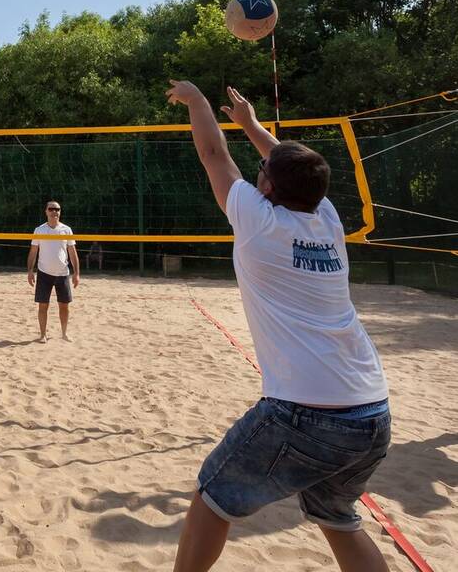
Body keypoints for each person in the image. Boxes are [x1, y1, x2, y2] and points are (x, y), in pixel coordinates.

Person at [165, 81, 391, 572]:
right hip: (372, 411)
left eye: (263, 170)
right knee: (338, 518)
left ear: (266, 186)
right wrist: (250, 125)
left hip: (306, 413)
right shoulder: (327, 218)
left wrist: (197, 101)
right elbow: (295, 170)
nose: (258, 170)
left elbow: (211, 151)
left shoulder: (258, 222)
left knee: (213, 495)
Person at [26, 201, 80, 342]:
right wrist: (30, 271)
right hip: (44, 272)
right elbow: (33, 251)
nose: (54, 211)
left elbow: (72, 252)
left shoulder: (66, 230)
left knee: (64, 305)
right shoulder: (39, 230)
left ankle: (64, 333)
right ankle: (43, 335)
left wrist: (77, 273)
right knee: (43, 305)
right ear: (46, 211)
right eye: (51, 209)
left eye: (57, 209)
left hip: (62, 273)